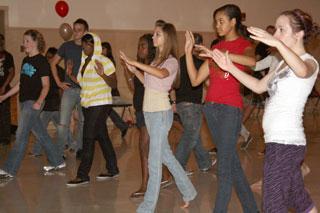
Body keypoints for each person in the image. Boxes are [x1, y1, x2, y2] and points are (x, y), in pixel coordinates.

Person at [206, 8, 319, 213]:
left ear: (299, 33)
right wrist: (229, 66)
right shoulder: (282, 64)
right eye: (275, 30)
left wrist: (275, 43)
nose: (275, 35)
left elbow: (302, 71)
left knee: (272, 206)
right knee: (300, 200)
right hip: (276, 142)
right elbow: (258, 86)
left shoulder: (309, 62)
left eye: (281, 30)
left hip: (286, 144)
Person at [184, 4, 258, 212]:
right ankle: (252, 209)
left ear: (233, 22)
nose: (217, 25)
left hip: (230, 110)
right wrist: (189, 53)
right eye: (215, 21)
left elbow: (251, 62)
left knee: (224, 167)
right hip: (211, 109)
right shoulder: (215, 48)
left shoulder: (244, 45)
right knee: (231, 162)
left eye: (221, 21)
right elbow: (196, 80)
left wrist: (222, 55)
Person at [120, 22, 196, 212]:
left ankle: (146, 208)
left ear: (166, 38)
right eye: (154, 34)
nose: (153, 37)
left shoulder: (171, 61)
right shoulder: (155, 61)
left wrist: (137, 63)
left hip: (161, 115)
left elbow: (162, 75)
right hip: (150, 114)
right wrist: (135, 70)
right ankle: (189, 191)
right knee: (166, 157)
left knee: (154, 162)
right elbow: (148, 82)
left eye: (157, 35)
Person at [0, 30, 65, 181]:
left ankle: (9, 169)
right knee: (40, 133)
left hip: (33, 103)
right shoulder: (25, 61)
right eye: (24, 41)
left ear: (36, 42)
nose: (24, 44)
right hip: (24, 101)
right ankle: (57, 161)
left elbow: (46, 85)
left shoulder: (42, 61)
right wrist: (5, 96)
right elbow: (21, 84)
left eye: (27, 41)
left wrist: (38, 102)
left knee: (21, 135)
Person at [66, 32, 119, 186]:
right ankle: (113, 168)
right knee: (102, 136)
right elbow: (84, 84)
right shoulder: (84, 63)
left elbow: (114, 83)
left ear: (95, 44)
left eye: (88, 44)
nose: (84, 47)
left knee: (88, 136)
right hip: (88, 104)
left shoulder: (104, 61)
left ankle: (83, 175)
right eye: (83, 44)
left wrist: (103, 74)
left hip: (101, 103)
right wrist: (70, 76)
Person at [174, 32, 215, 175]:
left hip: (181, 103)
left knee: (194, 134)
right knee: (191, 134)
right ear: (197, 46)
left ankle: (204, 163)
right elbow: (208, 83)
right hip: (192, 104)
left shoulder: (179, 61)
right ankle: (177, 166)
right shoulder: (199, 63)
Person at [123, 34, 155, 198]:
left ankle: (145, 184)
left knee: (144, 146)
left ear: (151, 48)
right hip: (140, 110)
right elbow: (135, 89)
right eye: (139, 46)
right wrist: (127, 71)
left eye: (143, 46)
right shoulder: (140, 66)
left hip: (151, 109)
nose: (139, 49)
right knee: (155, 148)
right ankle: (167, 176)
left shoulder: (153, 66)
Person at [51, 18, 89, 159]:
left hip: (85, 91)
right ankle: (59, 152)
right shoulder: (66, 46)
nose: (76, 32)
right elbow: (53, 63)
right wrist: (59, 82)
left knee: (83, 121)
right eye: (75, 29)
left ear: (85, 32)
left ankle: (79, 148)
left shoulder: (88, 48)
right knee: (63, 123)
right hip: (69, 89)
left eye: (79, 30)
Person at [30, 47, 71, 157]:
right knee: (53, 127)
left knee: (53, 128)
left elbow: (62, 89)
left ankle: (37, 151)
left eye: (50, 57)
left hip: (55, 104)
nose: (47, 59)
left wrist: (62, 104)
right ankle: (37, 151)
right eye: (46, 57)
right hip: (46, 104)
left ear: (55, 58)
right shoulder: (44, 69)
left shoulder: (60, 71)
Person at [101, 42, 129, 138]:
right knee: (107, 110)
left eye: (104, 49)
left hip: (109, 90)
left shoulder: (109, 61)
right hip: (106, 90)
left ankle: (122, 126)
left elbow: (108, 77)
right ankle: (122, 126)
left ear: (108, 50)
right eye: (101, 48)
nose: (102, 51)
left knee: (105, 110)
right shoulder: (103, 60)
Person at [0, 34, 15, 146]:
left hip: (4, 88)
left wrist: (4, 86)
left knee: (5, 114)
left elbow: (12, 72)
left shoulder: (8, 56)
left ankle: (5, 137)